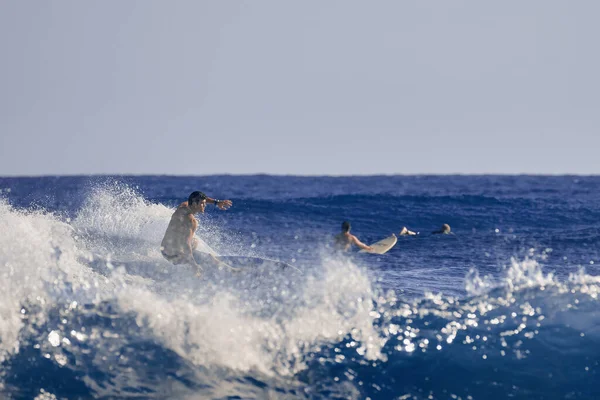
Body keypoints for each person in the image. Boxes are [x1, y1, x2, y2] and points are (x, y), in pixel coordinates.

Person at [160, 191, 235, 276]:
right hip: (174, 256)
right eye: (202, 203)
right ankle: (232, 272)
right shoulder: (191, 221)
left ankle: (195, 261)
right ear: (195, 204)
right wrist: (193, 265)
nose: (205, 205)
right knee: (208, 258)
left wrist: (216, 202)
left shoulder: (182, 207)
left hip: (164, 251)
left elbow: (202, 199)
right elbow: (186, 244)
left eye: (204, 203)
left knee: (194, 241)